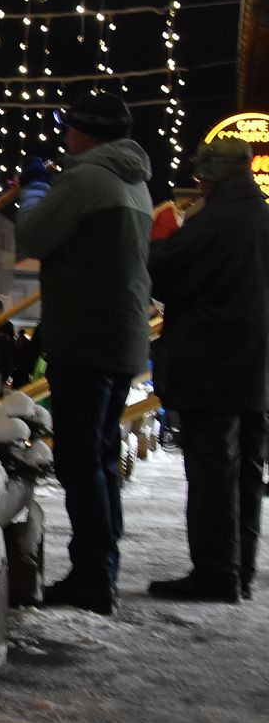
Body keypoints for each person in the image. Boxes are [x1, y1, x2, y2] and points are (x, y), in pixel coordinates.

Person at [15, 91, 152, 615]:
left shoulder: (87, 177)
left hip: (85, 336)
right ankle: (102, 567)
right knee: (100, 456)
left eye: (69, 128)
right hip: (120, 337)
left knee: (79, 459)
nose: (65, 136)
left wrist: (34, 188)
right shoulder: (134, 181)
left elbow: (34, 235)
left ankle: (93, 576)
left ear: (86, 133)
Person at [147, 139, 269, 602]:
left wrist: (160, 240)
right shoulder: (261, 216)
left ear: (211, 176)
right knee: (246, 470)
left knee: (212, 470)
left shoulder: (215, 220)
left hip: (212, 363)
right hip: (256, 366)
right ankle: (240, 570)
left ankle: (216, 573)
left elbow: (165, 274)